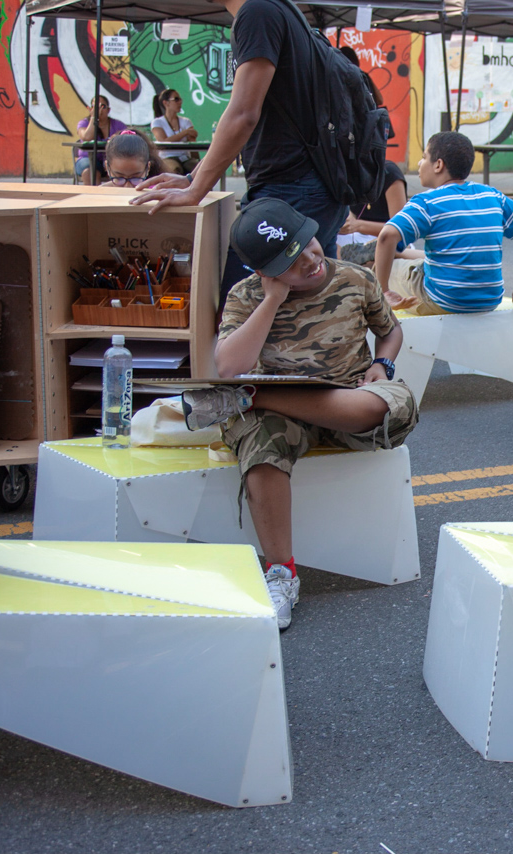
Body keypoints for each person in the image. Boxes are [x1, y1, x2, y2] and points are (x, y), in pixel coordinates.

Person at [178, 198, 417, 630]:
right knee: (260, 440)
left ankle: (249, 399)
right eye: (290, 261)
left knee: (391, 403)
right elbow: (230, 366)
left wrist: (383, 365)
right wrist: (272, 300)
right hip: (285, 418)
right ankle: (281, 572)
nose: (310, 260)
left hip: (348, 403)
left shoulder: (354, 277)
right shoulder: (246, 295)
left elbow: (390, 331)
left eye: (308, 245)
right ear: (263, 273)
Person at [131, 0, 354, 307]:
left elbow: (243, 115)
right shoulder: (278, 9)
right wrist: (192, 177)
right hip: (311, 187)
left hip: (291, 191)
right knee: (308, 314)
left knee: (238, 312)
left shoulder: (257, 12)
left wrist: (196, 188)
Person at [374, 131, 513, 315]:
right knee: (422, 259)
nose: (419, 163)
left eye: (424, 157)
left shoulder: (427, 202)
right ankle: (401, 254)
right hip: (489, 300)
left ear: (438, 165)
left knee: (384, 267)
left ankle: (384, 269)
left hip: (442, 300)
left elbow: (386, 236)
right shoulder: (492, 195)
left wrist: (383, 291)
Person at [75, 94, 127, 185]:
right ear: (90, 109)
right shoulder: (84, 123)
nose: (99, 110)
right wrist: (93, 118)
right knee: (89, 171)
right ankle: (92, 197)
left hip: (112, 159)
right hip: (87, 159)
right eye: (95, 107)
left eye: (102, 106)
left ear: (108, 110)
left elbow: (128, 138)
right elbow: (87, 137)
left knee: (122, 169)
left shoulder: (118, 125)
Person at [150, 89, 200, 175]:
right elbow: (163, 141)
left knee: (199, 170)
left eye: (180, 99)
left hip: (185, 158)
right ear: (166, 103)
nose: (180, 102)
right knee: (174, 170)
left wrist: (196, 158)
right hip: (168, 157)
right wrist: (185, 132)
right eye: (176, 99)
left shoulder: (186, 121)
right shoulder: (157, 122)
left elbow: (193, 135)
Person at [101, 130, 168, 187]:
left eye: (135, 178)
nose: (127, 187)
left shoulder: (158, 194)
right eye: (119, 178)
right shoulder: (99, 194)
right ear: (107, 168)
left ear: (148, 168)